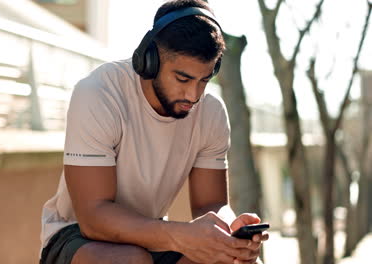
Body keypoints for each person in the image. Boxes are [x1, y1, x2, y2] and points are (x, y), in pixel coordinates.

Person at [39, 0, 268, 263]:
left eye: (204, 80)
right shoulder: (99, 93)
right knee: (132, 260)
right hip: (76, 235)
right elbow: (93, 217)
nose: (193, 95)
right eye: (182, 79)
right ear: (150, 60)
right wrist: (179, 235)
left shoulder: (212, 112)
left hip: (152, 235)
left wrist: (231, 233)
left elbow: (211, 206)